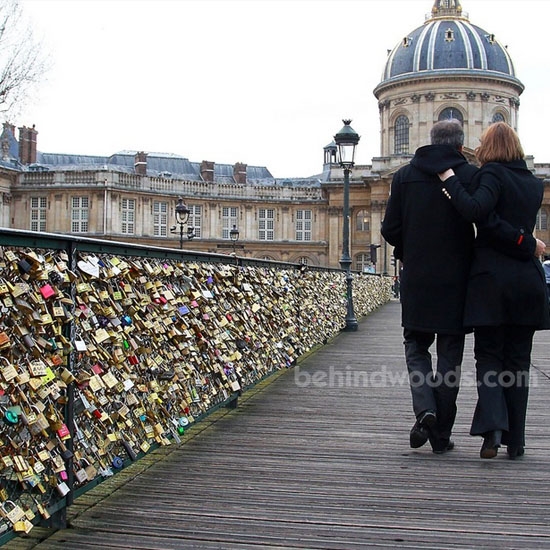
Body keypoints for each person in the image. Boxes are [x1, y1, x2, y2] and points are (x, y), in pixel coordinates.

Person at [437, 122, 550, 459]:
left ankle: (492, 434)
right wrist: (528, 243)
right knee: (518, 364)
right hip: (527, 283)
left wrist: (450, 181)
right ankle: (516, 441)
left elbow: (478, 214)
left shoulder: (492, 176)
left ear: (488, 148)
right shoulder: (533, 183)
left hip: (492, 282)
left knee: (488, 359)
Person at [381, 119, 478, 454]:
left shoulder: (404, 176)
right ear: (461, 146)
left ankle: (425, 409)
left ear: (430, 140)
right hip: (457, 282)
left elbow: (390, 229)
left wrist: (411, 250)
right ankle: (440, 437)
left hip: (418, 279)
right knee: (450, 359)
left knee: (416, 348)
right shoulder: (468, 176)